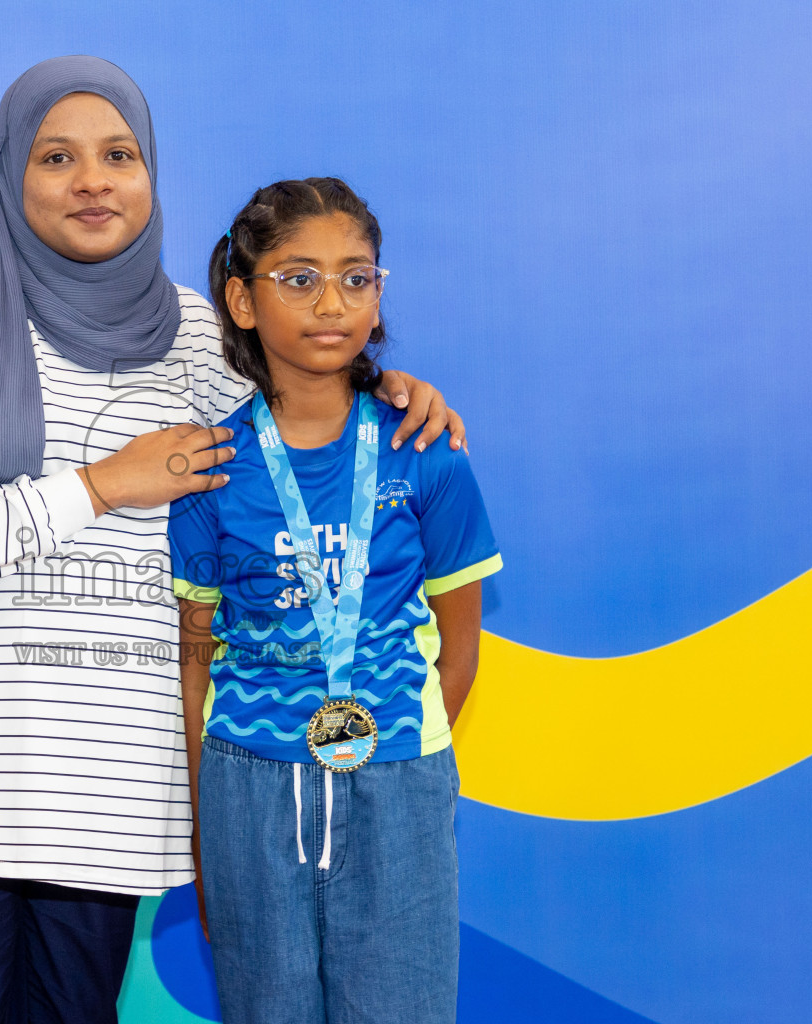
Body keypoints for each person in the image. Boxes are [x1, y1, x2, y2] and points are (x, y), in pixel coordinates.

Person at [0, 57, 466, 1024]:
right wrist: (103, 483)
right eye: (57, 157)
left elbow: (300, 418)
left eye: (118, 155)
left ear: (150, 175)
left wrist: (392, 395)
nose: (93, 181)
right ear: (11, 175)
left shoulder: (200, 339)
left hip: (103, 776)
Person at [171, 178, 502, 1024]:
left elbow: (459, 647)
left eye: (358, 278)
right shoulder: (212, 470)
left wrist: (397, 755)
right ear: (242, 302)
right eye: (299, 278)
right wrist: (210, 841)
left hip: (399, 777)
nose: (332, 302)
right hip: (249, 784)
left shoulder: (428, 453)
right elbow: (195, 657)